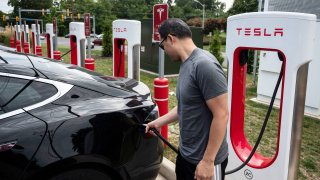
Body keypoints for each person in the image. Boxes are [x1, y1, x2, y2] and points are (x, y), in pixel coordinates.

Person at [145, 18, 229, 180]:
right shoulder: (186, 64)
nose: (164, 51)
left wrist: (207, 161)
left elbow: (222, 114)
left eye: (162, 46)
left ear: (170, 38)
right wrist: (159, 122)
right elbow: (186, 105)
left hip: (204, 162)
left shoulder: (204, 65)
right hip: (186, 156)